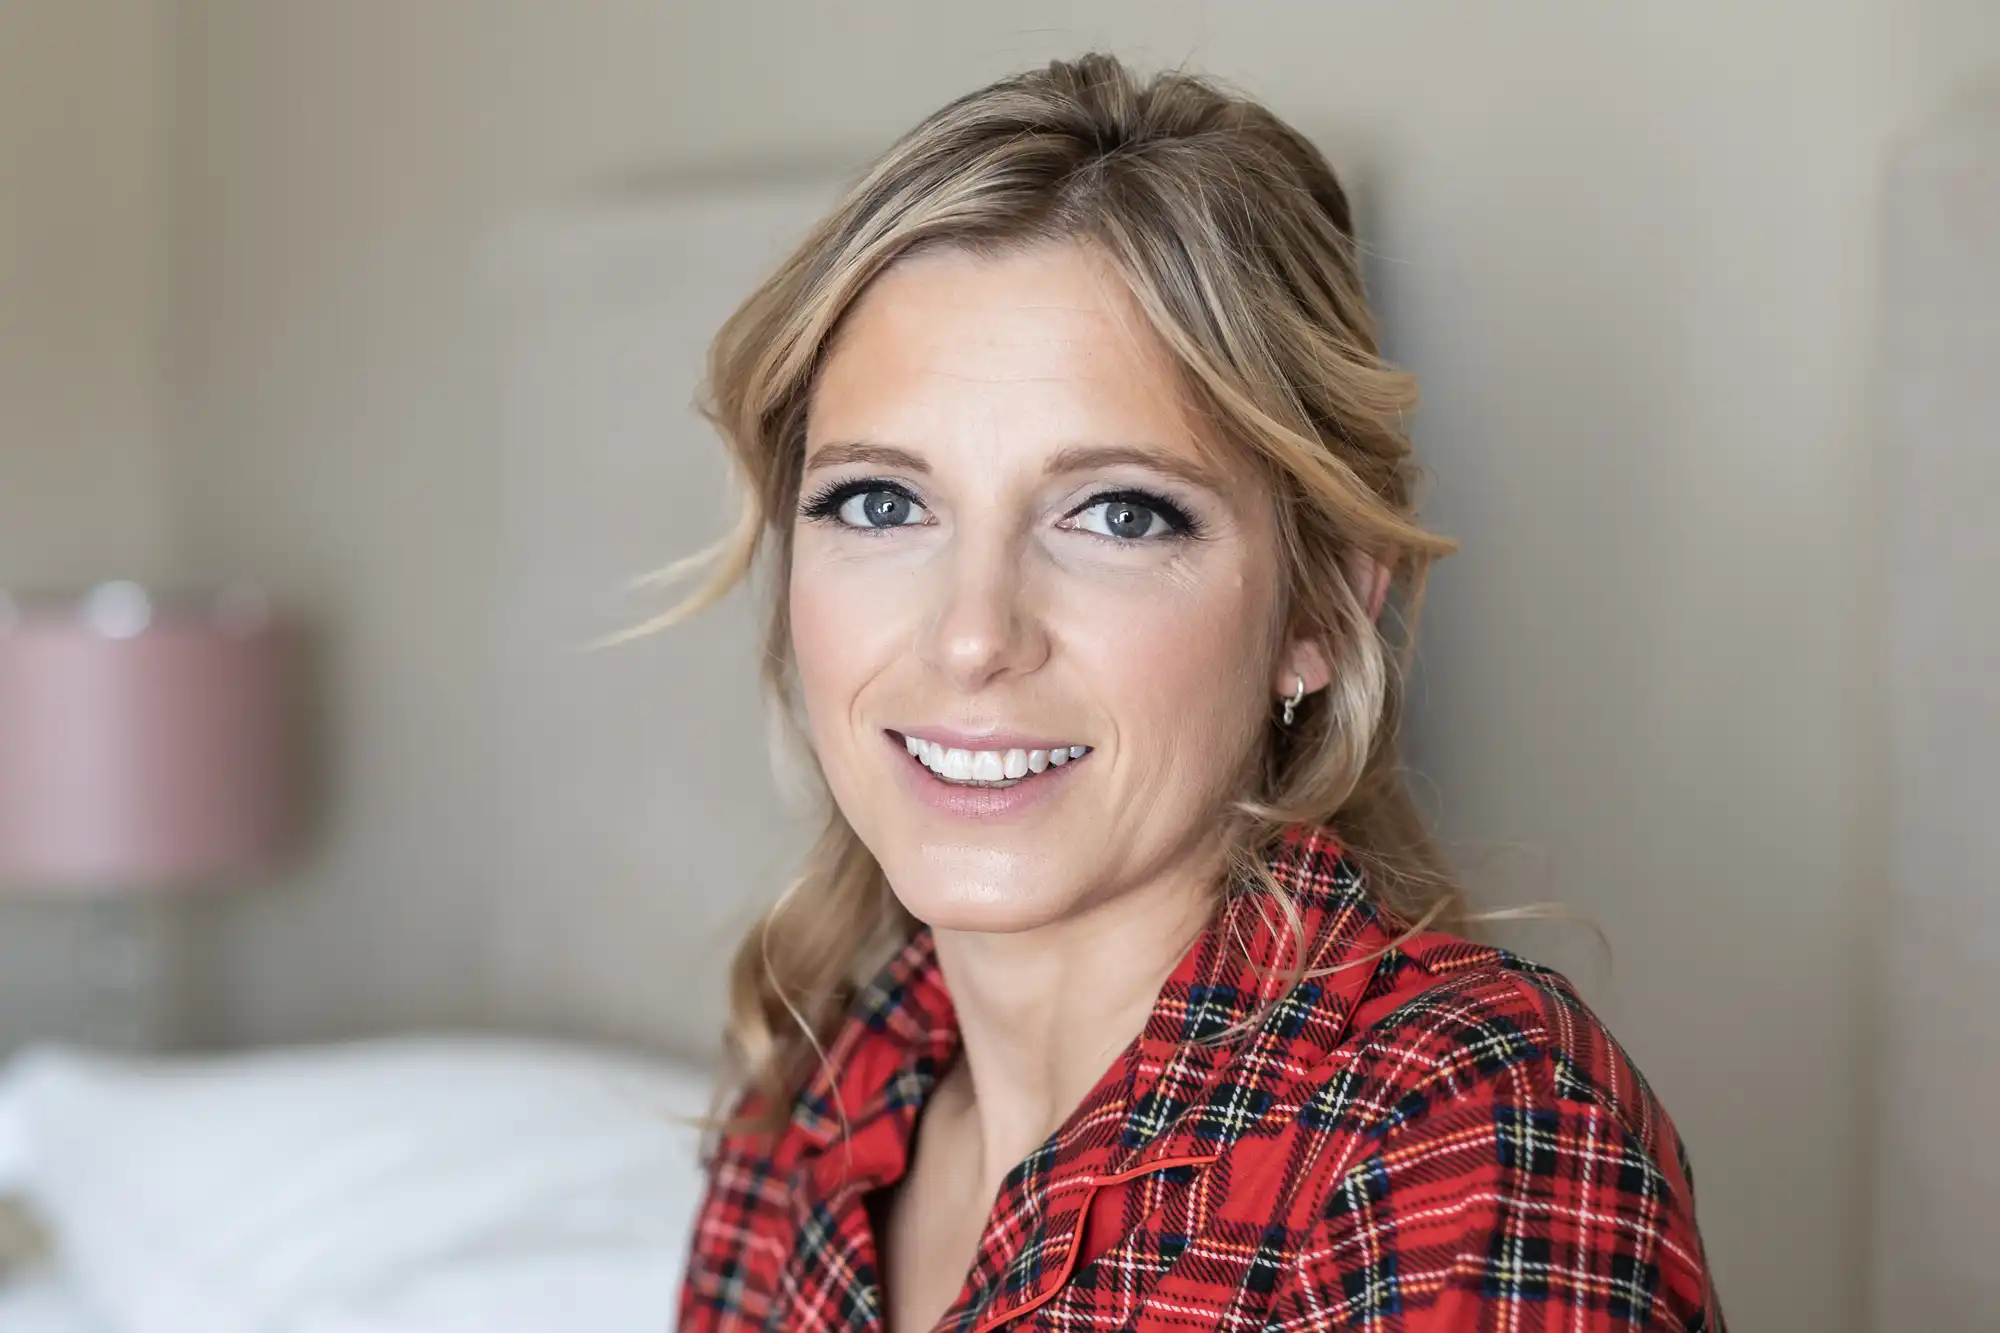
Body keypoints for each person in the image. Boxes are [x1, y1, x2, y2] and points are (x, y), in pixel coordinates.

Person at [670, 52, 1724, 1333]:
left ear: (1320, 609)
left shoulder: (1460, 1134)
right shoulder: (803, 1111)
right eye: (880, 502)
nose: (970, 636)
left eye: (1116, 513)